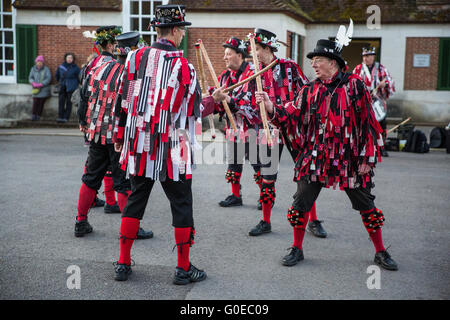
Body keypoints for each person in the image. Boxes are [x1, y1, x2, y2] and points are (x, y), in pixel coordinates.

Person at [255, 36, 398, 271]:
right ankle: (297, 248)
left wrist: (366, 158)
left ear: (333, 62)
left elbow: (369, 125)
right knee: (300, 203)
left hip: (349, 158)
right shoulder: (309, 89)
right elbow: (290, 113)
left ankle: (380, 251)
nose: (313, 64)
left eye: (318, 59)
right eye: (312, 60)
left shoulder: (356, 86)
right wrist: (270, 105)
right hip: (315, 157)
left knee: (366, 205)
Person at [112, 5, 207, 285]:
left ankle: (123, 263)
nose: (182, 37)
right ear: (176, 31)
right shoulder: (184, 67)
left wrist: (120, 135)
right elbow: (193, 111)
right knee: (181, 202)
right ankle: (182, 268)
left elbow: (124, 99)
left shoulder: (133, 58)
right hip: (172, 149)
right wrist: (215, 99)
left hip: (140, 144)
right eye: (182, 31)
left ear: (157, 29)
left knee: (136, 199)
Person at [74, 28, 153, 241]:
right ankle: (131, 229)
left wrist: (84, 121)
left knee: (91, 178)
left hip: (97, 131)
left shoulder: (98, 66)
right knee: (123, 182)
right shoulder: (130, 75)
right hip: (119, 135)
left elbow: (85, 96)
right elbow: (128, 107)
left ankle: (80, 221)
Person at [248, 28, 327, 238]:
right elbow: (246, 102)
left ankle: (313, 220)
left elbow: (306, 93)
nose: (252, 53)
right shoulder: (253, 73)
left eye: (255, 48)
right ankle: (265, 221)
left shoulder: (289, 67)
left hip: (293, 129)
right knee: (267, 177)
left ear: (266, 48)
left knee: (307, 176)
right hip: (269, 130)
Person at [203, 37, 262, 210]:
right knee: (233, 163)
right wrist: (212, 99)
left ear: (240, 55)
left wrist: (227, 98)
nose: (225, 57)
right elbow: (219, 104)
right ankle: (235, 195)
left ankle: (264, 197)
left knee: (258, 163)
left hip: (253, 128)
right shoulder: (224, 77)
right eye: (225, 54)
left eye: (228, 54)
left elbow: (250, 104)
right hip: (233, 128)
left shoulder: (253, 75)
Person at [353, 47, 395, 157]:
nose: (365, 58)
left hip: (378, 102)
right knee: (363, 125)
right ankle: (363, 147)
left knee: (381, 126)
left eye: (368, 56)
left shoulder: (381, 68)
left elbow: (389, 80)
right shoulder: (358, 69)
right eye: (364, 56)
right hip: (364, 102)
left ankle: (381, 148)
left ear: (373, 57)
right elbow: (352, 83)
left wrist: (384, 83)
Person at [56, 53, 81, 123]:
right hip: (62, 87)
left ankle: (66, 117)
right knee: (61, 102)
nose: (69, 59)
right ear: (65, 58)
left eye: (71, 58)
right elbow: (57, 76)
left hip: (71, 87)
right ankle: (60, 117)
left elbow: (79, 77)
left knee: (69, 103)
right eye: (68, 58)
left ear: (73, 59)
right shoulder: (61, 67)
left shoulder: (76, 68)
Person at [28, 55, 51, 121]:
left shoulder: (46, 69)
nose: (39, 63)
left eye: (41, 62)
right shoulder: (33, 69)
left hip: (43, 89)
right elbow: (30, 77)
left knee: (41, 103)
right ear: (36, 62)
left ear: (43, 62)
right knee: (35, 102)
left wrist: (42, 84)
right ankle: (33, 115)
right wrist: (33, 83)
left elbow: (48, 78)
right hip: (35, 89)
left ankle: (38, 115)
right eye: (38, 62)